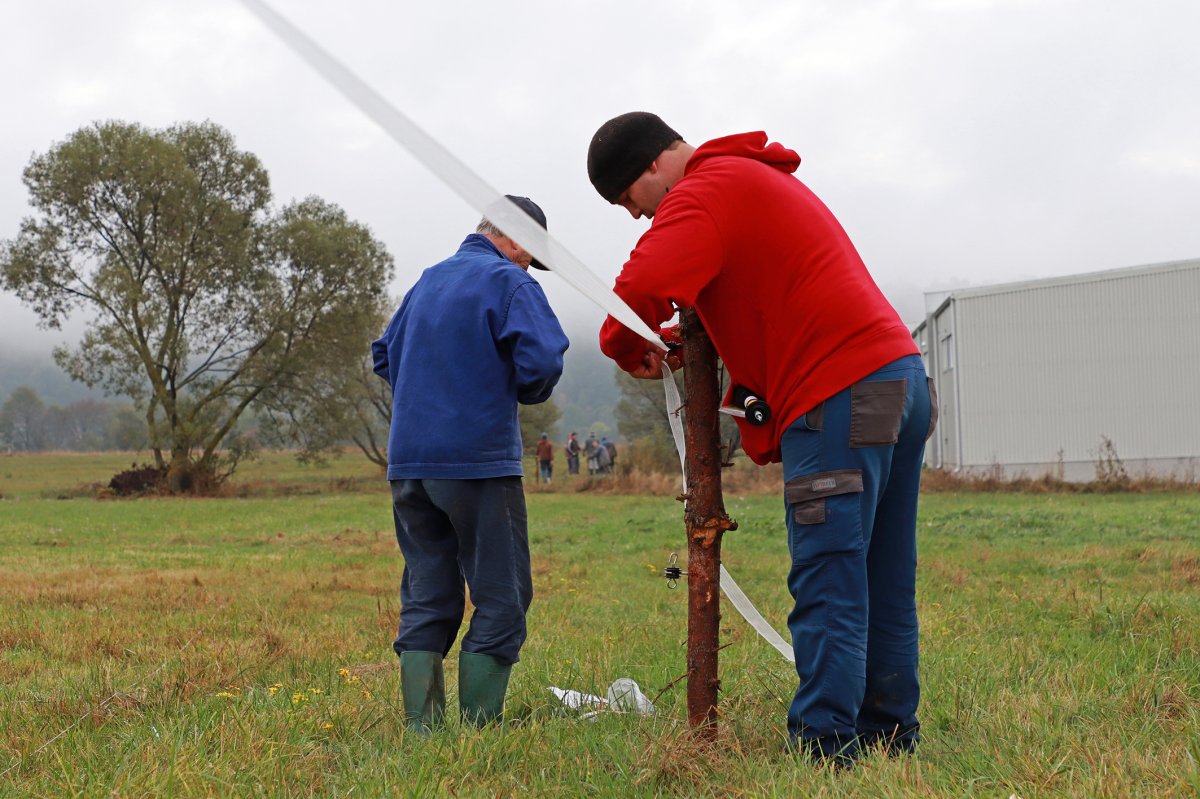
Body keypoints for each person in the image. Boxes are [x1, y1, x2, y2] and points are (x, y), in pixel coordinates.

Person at [587, 112, 936, 766]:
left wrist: (625, 342)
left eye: (629, 202)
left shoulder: (700, 192)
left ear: (652, 167)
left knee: (830, 571)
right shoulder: (747, 179)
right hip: (895, 376)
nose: (637, 218)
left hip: (838, 391)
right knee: (882, 571)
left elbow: (638, 289)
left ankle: (825, 746)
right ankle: (889, 733)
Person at [372, 195, 569, 733]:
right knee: (503, 594)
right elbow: (543, 358)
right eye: (531, 255)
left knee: (427, 588)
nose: (529, 266)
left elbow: (383, 356)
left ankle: (425, 730)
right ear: (517, 240)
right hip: (477, 463)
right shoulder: (510, 282)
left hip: (409, 465)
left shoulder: (427, 281)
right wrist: (523, 388)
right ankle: (482, 729)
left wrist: (428, 393)